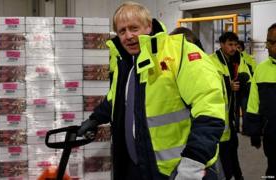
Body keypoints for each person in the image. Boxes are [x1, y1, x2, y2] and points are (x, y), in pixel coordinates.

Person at [77, 1, 226, 179]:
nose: (128, 36)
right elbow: (117, 99)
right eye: (122, 31)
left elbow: (209, 111)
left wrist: (192, 164)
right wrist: (95, 119)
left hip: (176, 171)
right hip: (137, 166)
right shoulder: (126, 63)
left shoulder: (179, 52)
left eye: (134, 28)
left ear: (149, 26)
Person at [210, 32, 252, 180]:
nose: (233, 48)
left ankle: (237, 174)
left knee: (233, 146)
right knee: (223, 150)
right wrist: (228, 86)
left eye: (235, 44)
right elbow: (210, 86)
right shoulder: (212, 61)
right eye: (230, 44)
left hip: (232, 113)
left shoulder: (238, 59)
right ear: (221, 44)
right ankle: (228, 175)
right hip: (220, 115)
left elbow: (247, 77)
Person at [246, 23, 276, 177]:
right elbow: (253, 102)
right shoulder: (261, 69)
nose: (269, 47)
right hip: (272, 136)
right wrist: (254, 131)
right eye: (268, 42)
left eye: (273, 43)